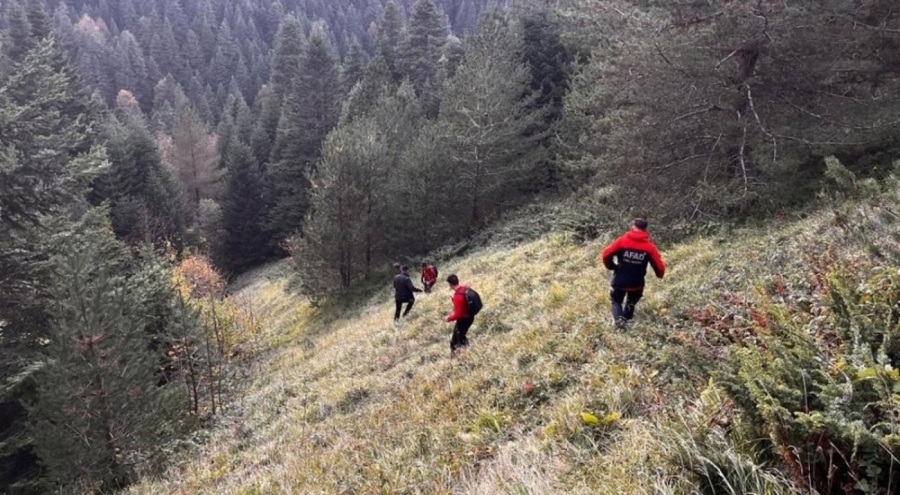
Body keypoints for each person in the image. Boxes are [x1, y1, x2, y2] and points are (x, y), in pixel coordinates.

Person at [601, 218, 666, 329]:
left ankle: (620, 324)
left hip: (620, 279)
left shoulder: (622, 241)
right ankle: (625, 323)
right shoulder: (649, 247)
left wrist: (612, 266)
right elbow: (659, 266)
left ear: (633, 226)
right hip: (637, 282)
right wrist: (659, 274)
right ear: (645, 229)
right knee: (631, 303)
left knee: (616, 301)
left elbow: (606, 254)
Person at [445, 274, 474, 356]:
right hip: (470, 316)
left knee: (454, 341)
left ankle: (456, 356)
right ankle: (468, 351)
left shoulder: (458, 296)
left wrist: (448, 318)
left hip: (464, 319)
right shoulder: (465, 288)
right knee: (461, 336)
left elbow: (458, 314)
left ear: (450, 284)